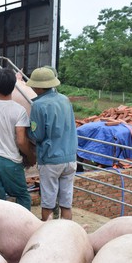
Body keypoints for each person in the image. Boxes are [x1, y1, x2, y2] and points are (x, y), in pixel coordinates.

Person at [0, 68, 36, 209]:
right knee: (22, 196)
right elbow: (21, 141)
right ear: (14, 85)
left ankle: (0, 229)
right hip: (11, 161)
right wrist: (30, 155)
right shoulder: (19, 110)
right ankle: (23, 229)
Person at [27, 66, 78, 220]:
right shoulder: (65, 99)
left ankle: (47, 236)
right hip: (70, 158)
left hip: (51, 160)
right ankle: (67, 233)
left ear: (39, 87)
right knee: (66, 203)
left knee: (48, 203)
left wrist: (27, 132)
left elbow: (38, 135)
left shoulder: (38, 105)